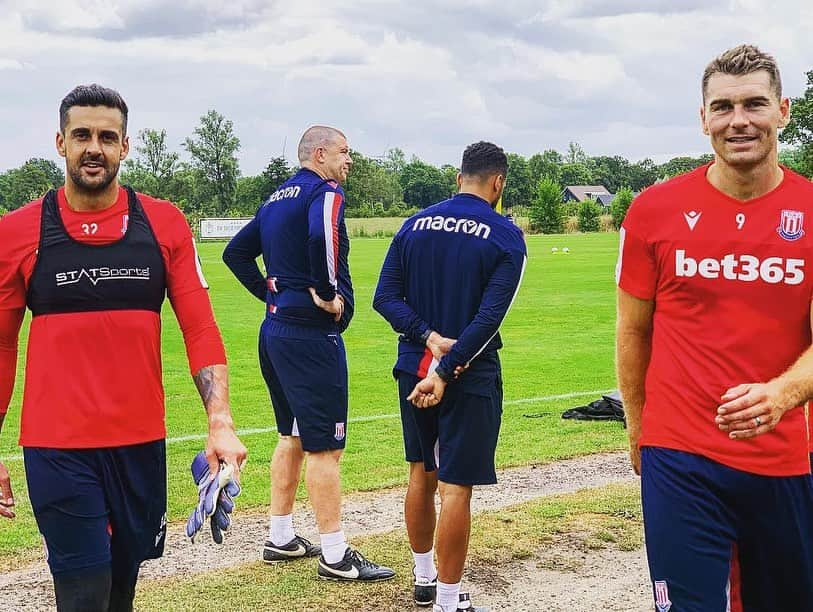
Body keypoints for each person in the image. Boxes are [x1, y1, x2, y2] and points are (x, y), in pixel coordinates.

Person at [0, 84, 246, 612]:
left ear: (125, 146)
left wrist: (219, 419)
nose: (95, 147)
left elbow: (199, 327)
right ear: (60, 142)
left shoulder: (163, 223)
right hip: (57, 445)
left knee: (120, 590)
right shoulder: (18, 233)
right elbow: (0, 346)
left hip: (139, 443)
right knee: (83, 590)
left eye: (107, 137)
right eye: (82, 135)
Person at [616, 44, 813, 611]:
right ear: (703, 117)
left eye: (755, 104)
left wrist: (782, 394)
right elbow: (633, 332)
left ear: (783, 111)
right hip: (679, 454)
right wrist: (638, 426)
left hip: (783, 460)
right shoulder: (654, 210)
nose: (739, 121)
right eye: (722, 107)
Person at [222, 126, 394, 582]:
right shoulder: (326, 192)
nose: (349, 160)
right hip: (310, 336)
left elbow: (235, 254)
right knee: (326, 446)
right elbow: (322, 238)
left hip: (275, 330)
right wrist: (327, 292)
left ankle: (280, 537)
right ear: (320, 154)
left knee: (292, 435)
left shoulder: (275, 198)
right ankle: (335, 555)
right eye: (344, 152)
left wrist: (270, 294)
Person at [373, 141, 526, 612]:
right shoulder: (505, 236)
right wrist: (445, 367)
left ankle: (423, 578)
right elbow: (487, 321)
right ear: (498, 183)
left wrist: (427, 336)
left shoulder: (413, 225)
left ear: (459, 177)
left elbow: (385, 298)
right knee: (456, 485)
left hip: (411, 367)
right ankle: (447, 599)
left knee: (421, 471)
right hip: (468, 374)